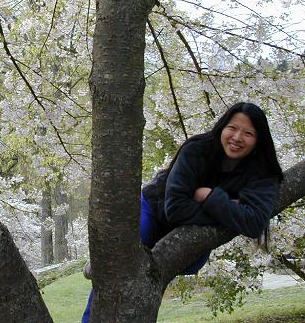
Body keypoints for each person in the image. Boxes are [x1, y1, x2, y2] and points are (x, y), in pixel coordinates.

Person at [81, 102, 283, 322]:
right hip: (155, 209)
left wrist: (209, 196)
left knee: (192, 263)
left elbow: (254, 223)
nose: (237, 138)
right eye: (232, 128)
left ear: (258, 140)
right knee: (120, 265)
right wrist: (232, 209)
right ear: (222, 127)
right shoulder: (198, 149)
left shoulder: (262, 173)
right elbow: (175, 208)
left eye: (248, 133)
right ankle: (101, 268)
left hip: (189, 227)